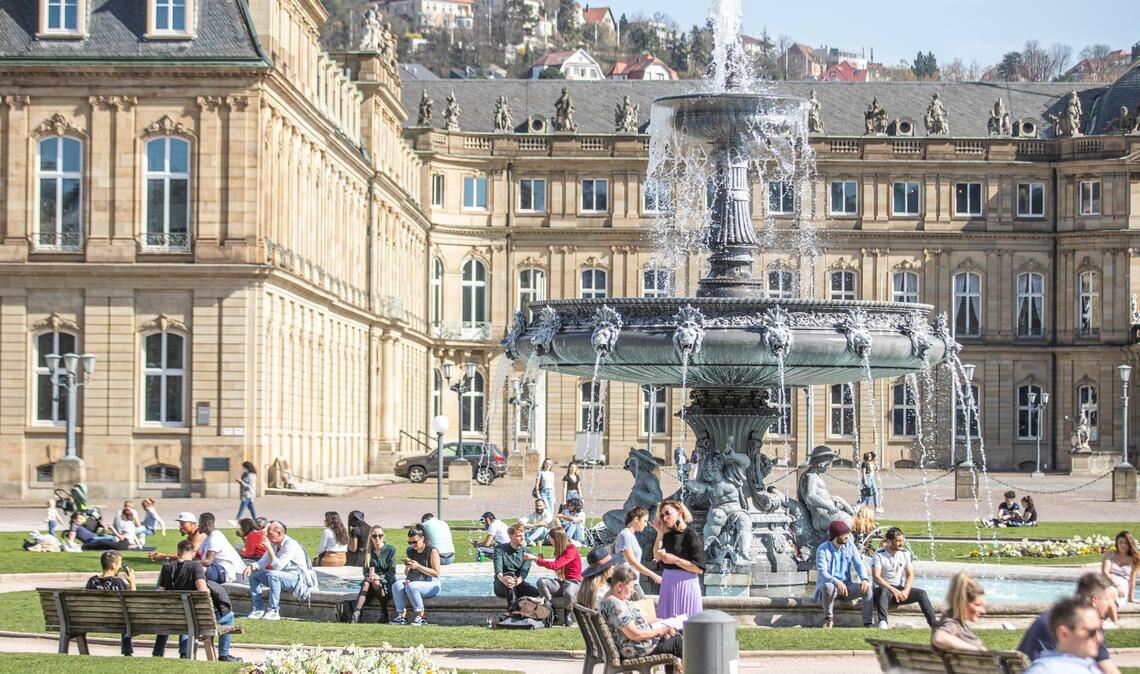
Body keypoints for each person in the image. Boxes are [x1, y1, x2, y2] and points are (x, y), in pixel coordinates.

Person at [153, 539, 241, 662]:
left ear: (178, 552)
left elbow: (161, 592)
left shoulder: (167, 567)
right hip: (195, 618)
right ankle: (223, 655)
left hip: (172, 616)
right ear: (193, 553)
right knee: (229, 616)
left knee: (186, 615)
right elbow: (203, 592)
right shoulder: (196, 566)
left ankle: (163, 653)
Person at [1019, 573, 1119, 674]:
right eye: (1108, 600)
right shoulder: (1045, 668)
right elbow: (1108, 669)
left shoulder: (1086, 664)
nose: (1099, 638)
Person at [598, 566, 684, 672]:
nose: (633, 591)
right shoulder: (615, 605)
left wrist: (666, 619)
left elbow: (639, 620)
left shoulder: (611, 600)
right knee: (679, 642)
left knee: (675, 636)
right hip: (634, 649)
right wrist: (661, 631)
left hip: (632, 645)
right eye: (632, 586)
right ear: (619, 586)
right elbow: (635, 634)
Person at [243, 521, 314, 620]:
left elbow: (278, 567)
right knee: (254, 575)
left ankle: (273, 611)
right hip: (281, 576)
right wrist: (252, 566)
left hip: (297, 578)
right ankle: (258, 609)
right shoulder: (274, 544)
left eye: (269, 533)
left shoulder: (290, 544)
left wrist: (268, 548)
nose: (267, 536)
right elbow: (263, 562)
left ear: (279, 533)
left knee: (273, 575)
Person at [871, 527, 936, 629]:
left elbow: (909, 574)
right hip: (881, 590)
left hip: (898, 589)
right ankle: (883, 622)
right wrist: (892, 590)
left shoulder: (905, 553)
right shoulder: (879, 555)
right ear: (889, 541)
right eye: (898, 541)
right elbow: (876, 577)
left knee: (921, 593)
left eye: (902, 540)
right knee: (884, 591)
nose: (901, 543)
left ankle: (934, 623)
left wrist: (906, 590)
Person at [1023, 597, 1106, 674]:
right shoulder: (1044, 670)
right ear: (1064, 634)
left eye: (1100, 631)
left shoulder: (1091, 666)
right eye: (1091, 632)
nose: (1099, 639)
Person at [815, 519, 873, 628]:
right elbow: (822, 572)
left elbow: (859, 564)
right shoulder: (822, 549)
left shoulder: (849, 545)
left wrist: (864, 579)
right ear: (836, 536)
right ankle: (828, 620)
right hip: (831, 587)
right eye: (844, 534)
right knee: (828, 586)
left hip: (847, 586)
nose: (847, 536)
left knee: (867, 589)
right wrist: (836, 582)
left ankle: (868, 623)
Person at [653, 499, 704, 620]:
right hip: (668, 583)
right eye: (662, 515)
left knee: (687, 626)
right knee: (666, 625)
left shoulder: (692, 536)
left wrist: (675, 560)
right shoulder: (667, 535)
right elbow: (656, 556)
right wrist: (659, 533)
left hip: (686, 584)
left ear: (679, 512)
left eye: (667, 513)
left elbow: (699, 568)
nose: (665, 518)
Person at [85, 550, 135, 657]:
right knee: (127, 617)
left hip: (91, 619)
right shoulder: (118, 583)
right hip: (117, 620)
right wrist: (132, 582)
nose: (120, 567)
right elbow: (132, 603)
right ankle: (127, 650)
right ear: (113, 565)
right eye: (119, 564)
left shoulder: (92, 581)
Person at [390, 526, 441, 625]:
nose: (413, 545)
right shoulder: (410, 551)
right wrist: (408, 567)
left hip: (432, 584)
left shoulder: (432, 551)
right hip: (415, 582)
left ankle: (421, 617)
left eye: (415, 542)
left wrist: (418, 566)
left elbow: (436, 573)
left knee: (412, 586)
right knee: (396, 585)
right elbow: (407, 574)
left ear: (422, 538)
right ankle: (401, 616)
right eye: (410, 542)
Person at [931, 572, 987, 652]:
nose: (983, 611)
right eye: (977, 605)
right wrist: (976, 649)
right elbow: (939, 638)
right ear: (962, 604)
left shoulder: (956, 624)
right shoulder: (952, 624)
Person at [614, 506, 661, 597]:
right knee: (644, 607)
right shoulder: (625, 535)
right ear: (636, 519)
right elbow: (632, 561)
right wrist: (653, 575)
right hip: (626, 581)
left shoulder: (630, 535)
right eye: (644, 521)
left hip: (632, 581)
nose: (646, 524)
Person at [352, 525, 396, 623]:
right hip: (371, 583)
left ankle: (384, 612)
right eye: (374, 536)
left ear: (383, 537)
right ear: (371, 537)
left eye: (380, 536)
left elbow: (392, 572)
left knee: (376, 583)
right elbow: (365, 571)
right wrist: (369, 577)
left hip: (386, 582)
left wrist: (380, 577)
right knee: (366, 583)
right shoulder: (367, 552)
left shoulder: (391, 550)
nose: (377, 538)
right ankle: (356, 613)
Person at [528, 527, 582, 605]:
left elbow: (555, 565)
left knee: (568, 594)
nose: (549, 541)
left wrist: (536, 559)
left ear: (556, 539)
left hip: (573, 583)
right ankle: (550, 608)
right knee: (541, 582)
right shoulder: (561, 550)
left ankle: (568, 613)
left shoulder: (572, 550)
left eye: (550, 538)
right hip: (562, 583)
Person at [494, 522, 540, 607]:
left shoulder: (527, 551)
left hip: (517, 583)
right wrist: (503, 579)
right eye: (519, 536)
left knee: (537, 593)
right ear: (510, 536)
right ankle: (512, 608)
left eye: (523, 535)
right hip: (501, 584)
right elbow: (498, 569)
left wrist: (517, 581)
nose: (523, 538)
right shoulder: (500, 549)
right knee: (509, 575)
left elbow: (524, 572)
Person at [197, 512, 244, 583]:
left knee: (197, 569)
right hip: (215, 569)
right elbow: (199, 557)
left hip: (225, 572)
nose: (198, 525)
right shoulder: (207, 538)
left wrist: (189, 563)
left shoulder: (215, 537)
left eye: (200, 523)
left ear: (206, 524)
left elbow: (208, 562)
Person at [1103, 532, 1140, 619]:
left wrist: (1131, 598)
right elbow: (1105, 571)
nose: (1122, 545)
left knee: (1110, 593)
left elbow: (1132, 578)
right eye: (1120, 542)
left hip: (1122, 583)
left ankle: (1113, 621)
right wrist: (1116, 585)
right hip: (1109, 580)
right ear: (1117, 543)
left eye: (1125, 543)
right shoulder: (1110, 554)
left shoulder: (1134, 558)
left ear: (1130, 544)